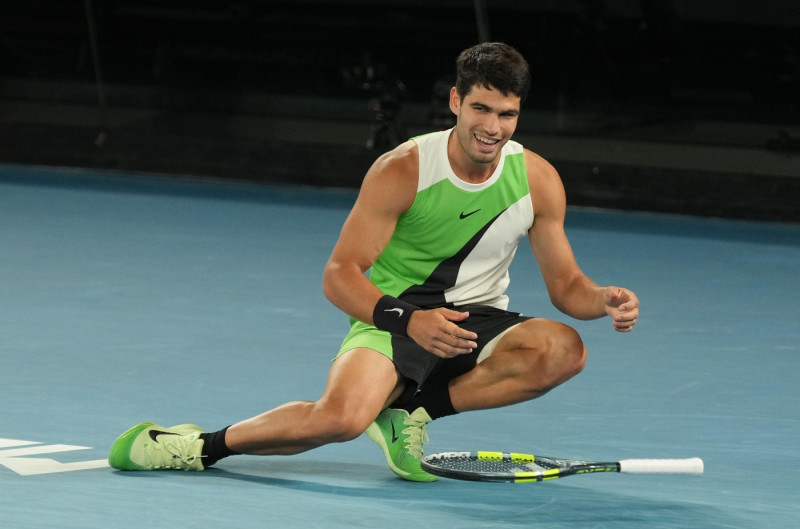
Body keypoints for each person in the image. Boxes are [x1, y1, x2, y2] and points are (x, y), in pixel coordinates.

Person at [108, 42, 639, 481]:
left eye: (507, 114)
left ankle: (410, 411)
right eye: (481, 109)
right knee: (339, 419)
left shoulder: (537, 178)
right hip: (393, 316)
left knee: (563, 349)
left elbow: (566, 284)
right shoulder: (403, 168)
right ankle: (197, 446)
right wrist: (409, 320)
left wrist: (601, 299)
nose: (493, 127)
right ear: (456, 102)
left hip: (474, 320)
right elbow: (339, 276)